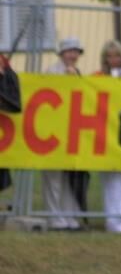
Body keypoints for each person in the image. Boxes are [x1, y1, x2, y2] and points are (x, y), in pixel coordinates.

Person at [43, 37, 87, 230]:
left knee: (70, 177)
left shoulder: (78, 73)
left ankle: (70, 217)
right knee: (53, 177)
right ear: (62, 53)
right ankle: (55, 217)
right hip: (53, 131)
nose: (73, 55)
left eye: (76, 51)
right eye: (70, 51)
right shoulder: (51, 72)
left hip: (72, 132)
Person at [94, 40, 121, 232]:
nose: (113, 60)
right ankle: (114, 221)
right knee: (111, 179)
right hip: (106, 134)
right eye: (109, 56)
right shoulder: (96, 77)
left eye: (117, 56)